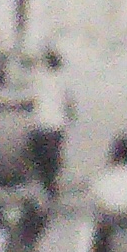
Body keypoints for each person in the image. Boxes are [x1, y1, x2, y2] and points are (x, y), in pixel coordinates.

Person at [29, 51, 74, 193]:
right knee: (53, 158)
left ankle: (45, 186)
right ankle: (51, 186)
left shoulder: (37, 79)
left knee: (40, 160)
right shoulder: (63, 80)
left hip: (40, 124)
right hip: (56, 125)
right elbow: (70, 105)